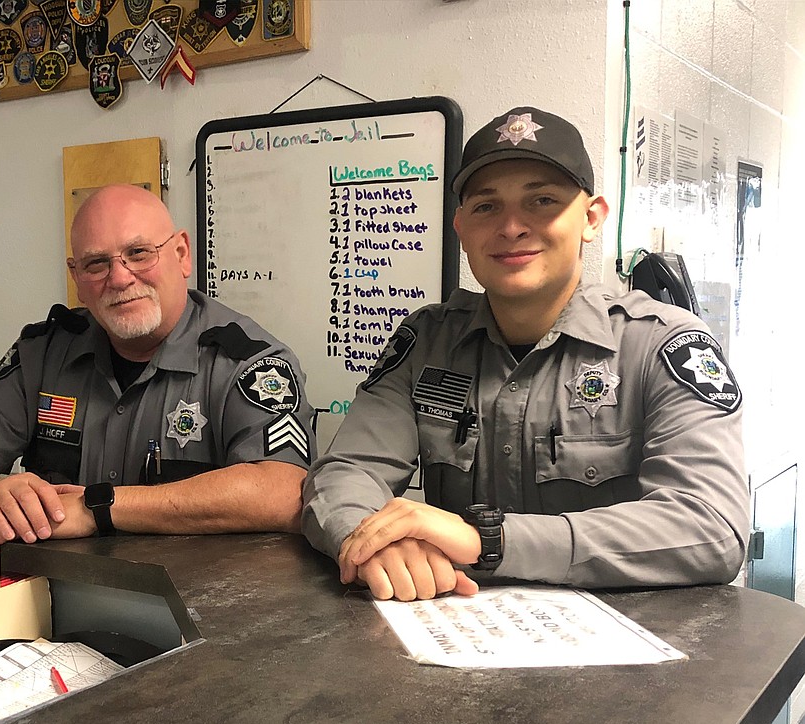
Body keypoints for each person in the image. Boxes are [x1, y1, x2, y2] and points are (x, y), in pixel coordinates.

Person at [302, 107, 748, 601]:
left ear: (591, 218)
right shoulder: (427, 343)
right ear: (461, 227)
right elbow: (347, 472)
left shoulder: (662, 345)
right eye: (487, 207)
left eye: (542, 201)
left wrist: (490, 540)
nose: (512, 227)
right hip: (451, 639)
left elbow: (713, 527)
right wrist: (370, 541)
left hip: (626, 656)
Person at [0, 184, 314, 547]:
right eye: (96, 264)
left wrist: (98, 507)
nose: (120, 278)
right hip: (52, 595)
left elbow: (281, 489)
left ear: (181, 254)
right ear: (76, 278)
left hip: (198, 606)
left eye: (139, 254)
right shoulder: (45, 353)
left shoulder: (249, 363)